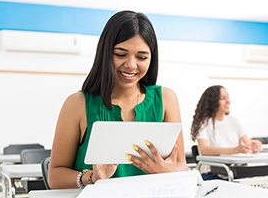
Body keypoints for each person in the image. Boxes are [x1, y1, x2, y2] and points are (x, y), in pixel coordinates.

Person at [48, 10, 188, 189]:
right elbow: (55, 176)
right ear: (105, 53)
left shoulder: (166, 99)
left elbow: (181, 165)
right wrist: (92, 178)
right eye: (121, 54)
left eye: (142, 57)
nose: (131, 65)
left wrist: (169, 173)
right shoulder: (77, 104)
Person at [190, 85, 262, 180]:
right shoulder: (204, 123)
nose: (228, 101)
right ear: (212, 102)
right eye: (223, 98)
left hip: (234, 171)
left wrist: (254, 146)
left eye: (228, 97)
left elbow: (247, 142)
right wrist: (234, 150)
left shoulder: (233, 121)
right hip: (211, 173)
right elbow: (204, 150)